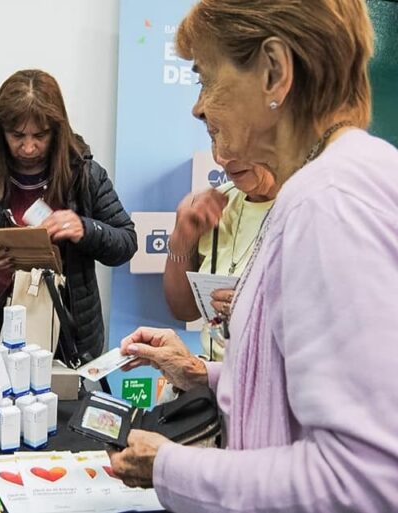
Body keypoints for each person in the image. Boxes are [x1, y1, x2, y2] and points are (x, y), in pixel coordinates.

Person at [109, 1, 398, 512]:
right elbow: (301, 396)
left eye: (205, 78)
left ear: (273, 72)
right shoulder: (332, 183)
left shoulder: (328, 201)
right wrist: (202, 373)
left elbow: (363, 480)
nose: (198, 108)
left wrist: (169, 466)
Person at [0, 69, 137, 357]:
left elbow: (127, 242)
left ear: (57, 130)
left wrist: (85, 228)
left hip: (67, 335)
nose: (28, 148)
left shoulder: (84, 171)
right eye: (17, 135)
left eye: (40, 136)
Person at [163, 162, 277, 360]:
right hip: (212, 375)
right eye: (214, 135)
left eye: (235, 136)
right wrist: (181, 240)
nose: (221, 157)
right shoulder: (213, 204)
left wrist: (256, 312)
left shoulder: (311, 205)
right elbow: (185, 311)